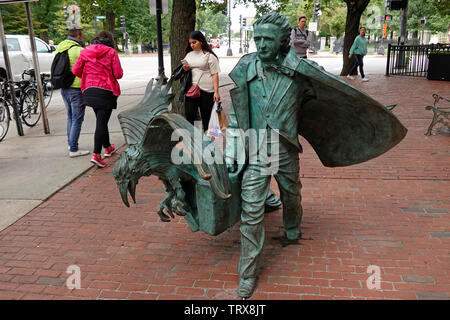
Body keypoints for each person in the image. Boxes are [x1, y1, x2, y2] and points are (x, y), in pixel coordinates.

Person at [225, 12, 314, 298]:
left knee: (291, 192)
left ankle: (291, 228)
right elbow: (237, 115)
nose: (261, 45)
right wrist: (233, 150)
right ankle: (248, 273)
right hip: (256, 148)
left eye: (268, 39)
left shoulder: (300, 69)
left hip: (285, 146)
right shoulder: (245, 67)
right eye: (258, 38)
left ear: (282, 41)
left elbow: (330, 99)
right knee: (251, 210)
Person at [72, 31, 124, 168]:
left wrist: (88, 76)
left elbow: (76, 70)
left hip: (89, 89)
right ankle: (97, 154)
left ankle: (107, 147)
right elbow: (118, 74)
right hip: (106, 90)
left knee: (101, 120)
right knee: (101, 122)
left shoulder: (85, 51)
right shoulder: (111, 52)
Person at [56, 28, 89, 158]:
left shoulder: (60, 47)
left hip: (64, 87)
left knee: (70, 116)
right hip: (77, 88)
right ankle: (74, 149)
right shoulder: (79, 51)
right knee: (77, 119)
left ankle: (71, 144)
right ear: (79, 36)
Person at [182, 31, 221, 132]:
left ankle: (208, 140)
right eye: (190, 43)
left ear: (201, 41)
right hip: (192, 90)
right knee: (190, 115)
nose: (192, 45)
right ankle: (193, 137)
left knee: (207, 117)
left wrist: (216, 92)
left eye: (194, 42)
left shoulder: (209, 56)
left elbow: (215, 74)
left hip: (207, 91)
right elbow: (184, 72)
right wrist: (185, 69)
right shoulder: (189, 55)